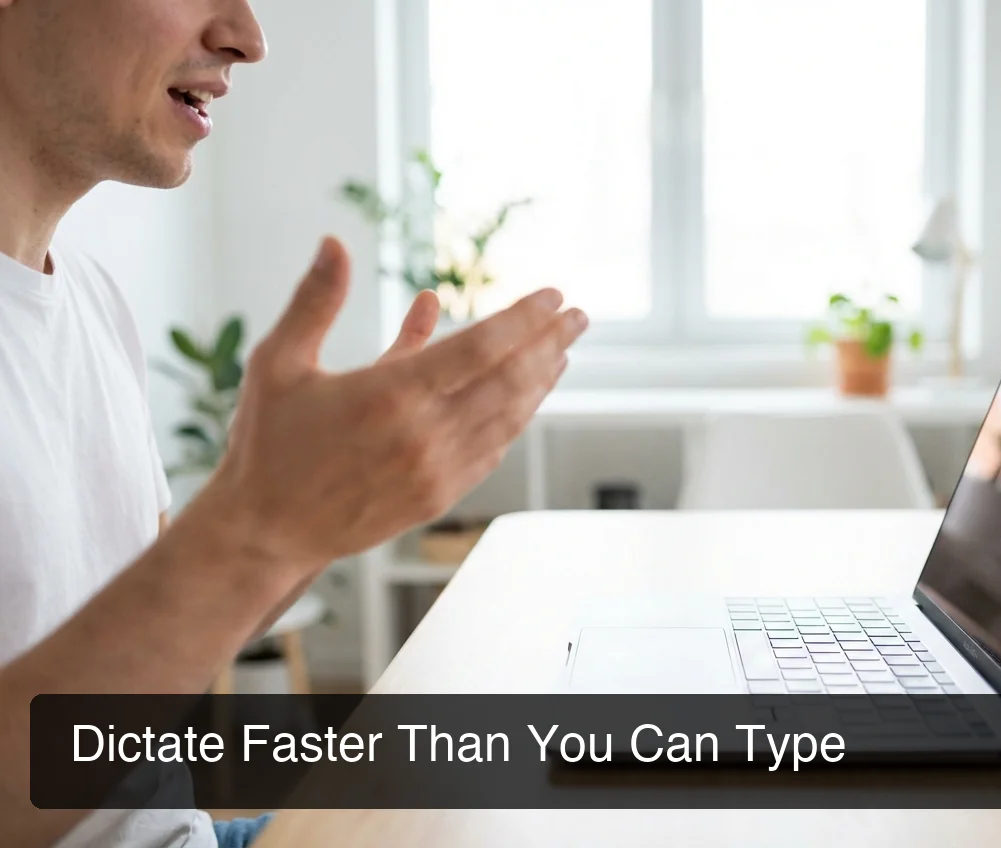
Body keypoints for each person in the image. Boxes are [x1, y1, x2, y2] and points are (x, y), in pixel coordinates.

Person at [0, 1, 588, 846]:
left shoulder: (91, 299)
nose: (247, 38)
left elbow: (173, 650)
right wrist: (261, 524)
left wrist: (330, 507)